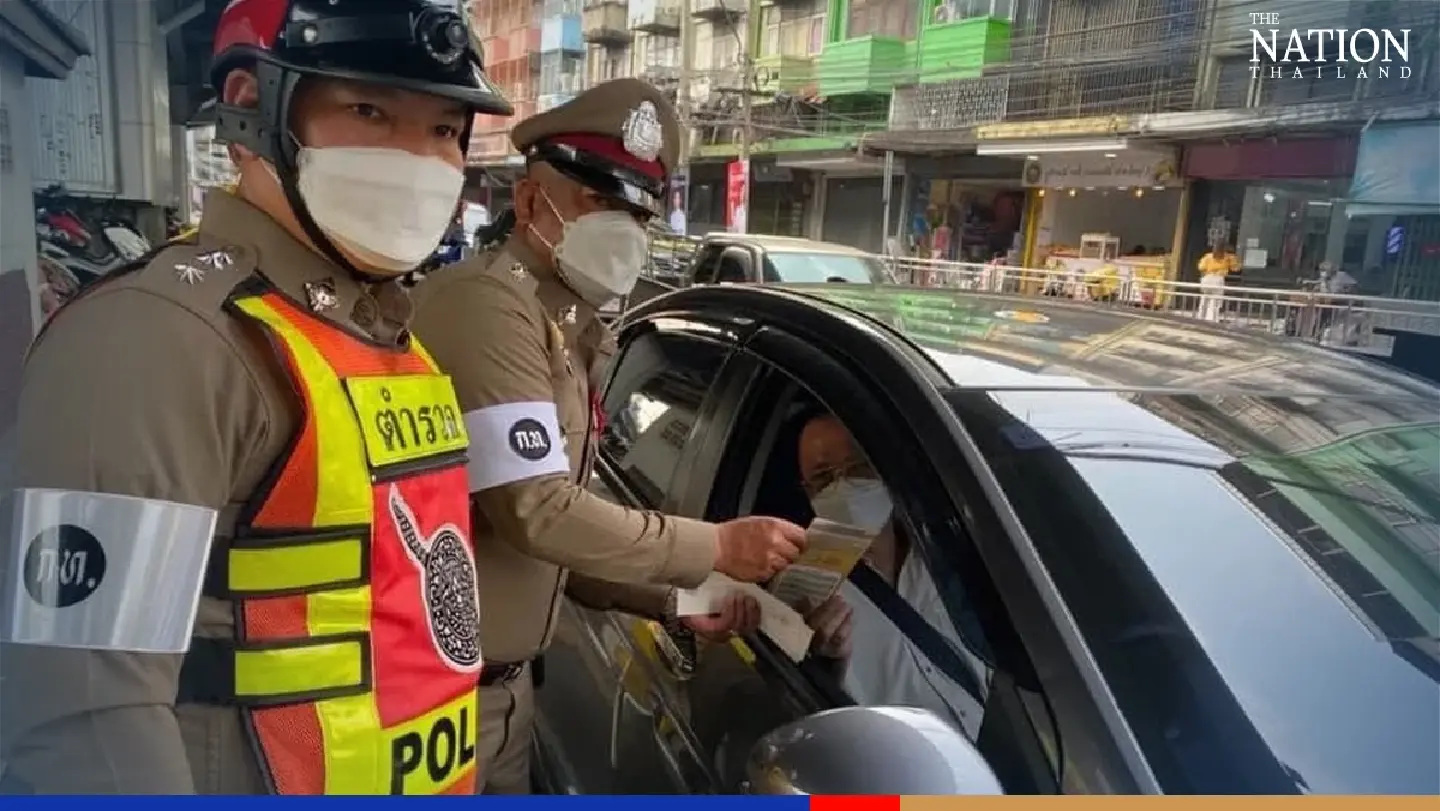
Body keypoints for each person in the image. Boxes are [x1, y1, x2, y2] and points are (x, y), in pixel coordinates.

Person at [0, 0, 512, 795]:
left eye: (444, 129)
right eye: (370, 112)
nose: (420, 159)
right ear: (251, 106)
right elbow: (88, 720)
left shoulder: (382, 333)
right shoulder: (158, 337)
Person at [408, 78, 803, 794]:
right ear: (531, 201)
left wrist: (680, 601)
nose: (624, 229)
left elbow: (553, 552)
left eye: (637, 212)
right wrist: (717, 546)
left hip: (504, 696)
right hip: (439, 701)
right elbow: (538, 512)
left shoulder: (568, 327)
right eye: (599, 201)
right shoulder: (487, 308)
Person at [796, 413, 989, 739]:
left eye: (858, 468)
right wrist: (826, 666)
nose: (844, 485)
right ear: (808, 493)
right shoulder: (807, 597)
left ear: (884, 470)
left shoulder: (948, 557)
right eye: (824, 477)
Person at [1196, 240, 1239, 322]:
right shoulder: (1228, 257)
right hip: (1218, 279)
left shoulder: (1208, 256)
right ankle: (1212, 319)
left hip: (1207, 278)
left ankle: (1201, 317)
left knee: (1204, 299)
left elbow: (1201, 267)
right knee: (1215, 302)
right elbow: (1236, 268)